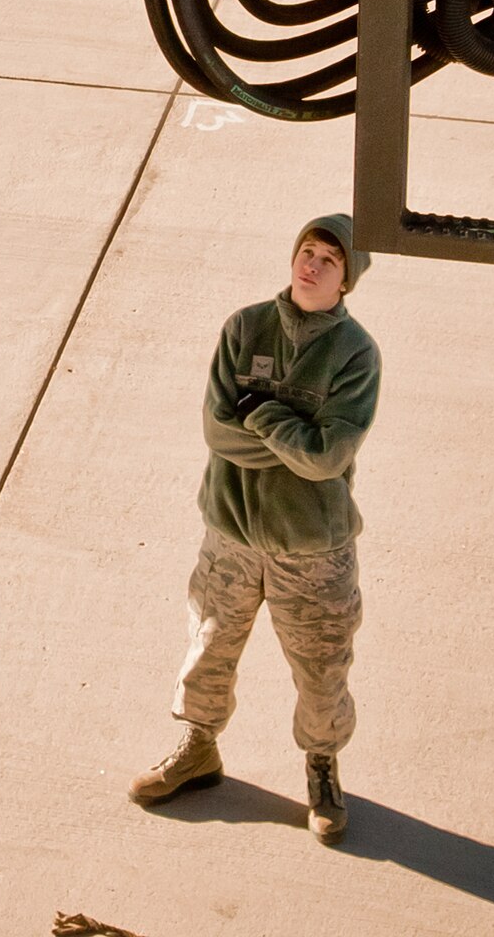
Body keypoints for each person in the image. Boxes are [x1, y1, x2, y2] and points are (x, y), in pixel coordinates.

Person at [129, 214, 379, 842]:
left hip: (312, 550)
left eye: (328, 258)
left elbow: (328, 459)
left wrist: (261, 413)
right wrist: (296, 438)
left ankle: (322, 769)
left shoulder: (356, 354)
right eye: (305, 250)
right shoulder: (245, 328)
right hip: (232, 535)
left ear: (347, 278)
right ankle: (198, 748)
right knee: (209, 647)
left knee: (322, 668)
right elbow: (217, 431)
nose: (311, 265)